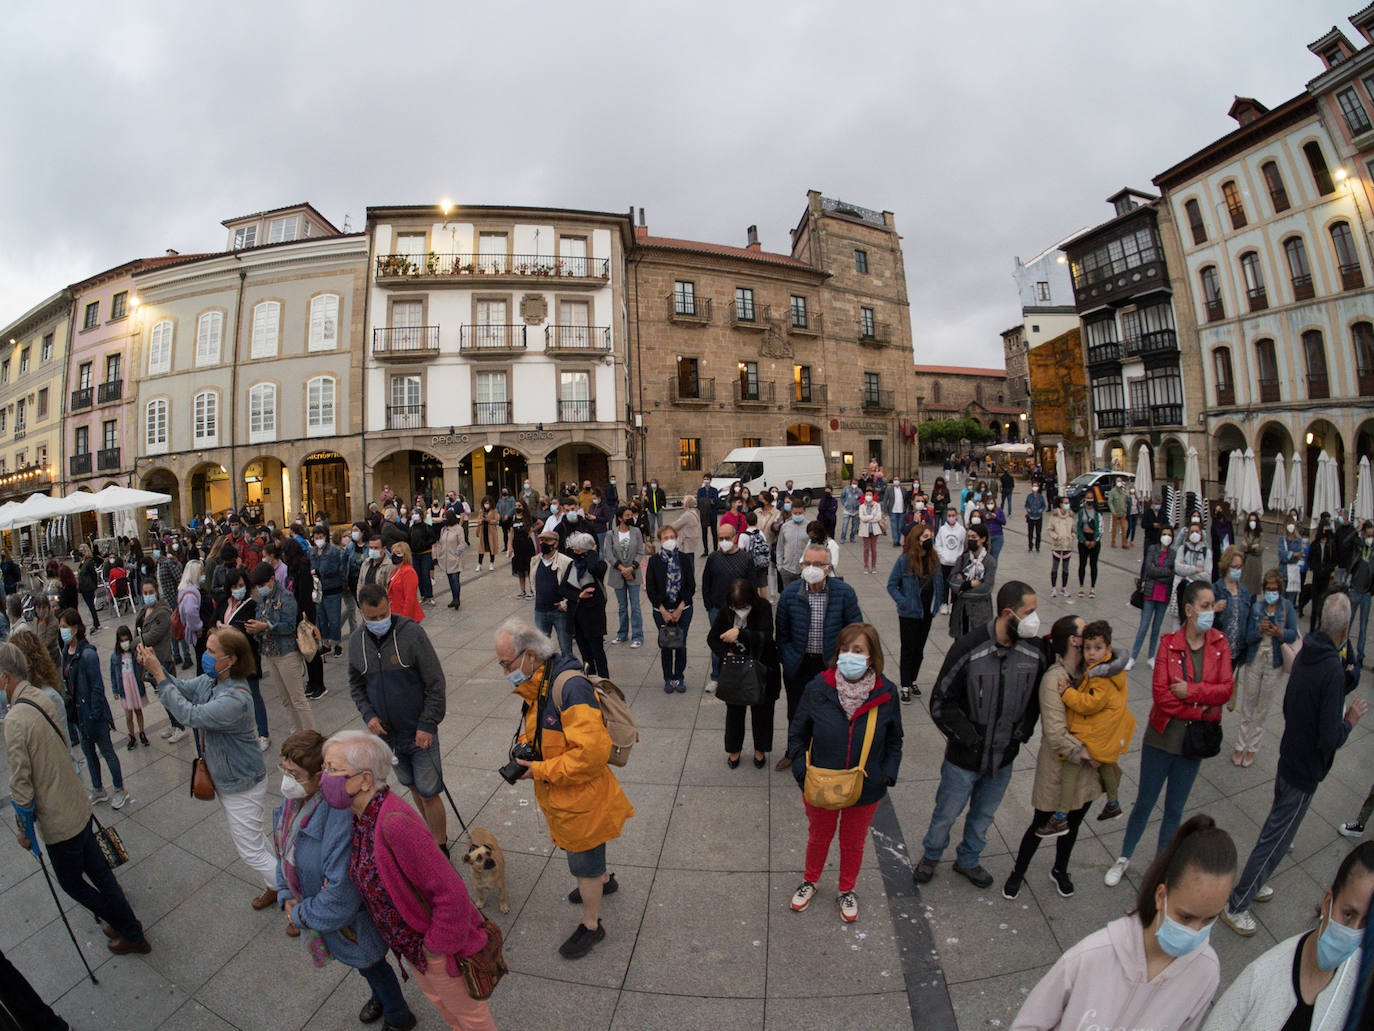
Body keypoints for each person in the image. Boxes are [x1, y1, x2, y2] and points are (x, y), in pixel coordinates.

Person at [321, 732, 497, 1029]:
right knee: (442, 1004)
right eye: (325, 767)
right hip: (411, 947)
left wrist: (436, 948)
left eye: (333, 770)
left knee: (470, 1016)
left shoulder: (395, 824)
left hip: (434, 947)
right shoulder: (360, 815)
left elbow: (452, 892)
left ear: (365, 780)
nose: (325, 778)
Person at [1221, 592, 1367, 936]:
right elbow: (1331, 737)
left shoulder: (1309, 650)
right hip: (1304, 771)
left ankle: (1254, 884)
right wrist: (1350, 719)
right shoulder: (1331, 667)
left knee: (1275, 828)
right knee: (1277, 837)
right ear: (1345, 630)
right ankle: (1237, 903)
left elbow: (1291, 704)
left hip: (1290, 755)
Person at [1013, 816, 1236, 1031]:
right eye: (1185, 917)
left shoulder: (1206, 972)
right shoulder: (1092, 955)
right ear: (1161, 896)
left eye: (1209, 918)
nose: (1194, 932)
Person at [495, 620, 634, 962]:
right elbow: (543, 728)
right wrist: (526, 746)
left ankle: (591, 925)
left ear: (529, 656)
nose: (504, 672)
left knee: (582, 862)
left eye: (506, 664)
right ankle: (603, 878)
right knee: (587, 854)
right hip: (568, 795)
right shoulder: (540, 680)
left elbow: (591, 754)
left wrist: (539, 769)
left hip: (580, 797)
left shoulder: (567, 687)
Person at [2, 642, 151, 956]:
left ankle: (128, 928)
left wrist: (24, 829)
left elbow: (21, 784)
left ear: (5, 677)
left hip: (59, 819)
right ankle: (128, 924)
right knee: (100, 872)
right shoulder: (41, 696)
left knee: (72, 882)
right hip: (76, 804)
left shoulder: (15, 720)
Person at [272, 730, 417, 1028]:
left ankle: (398, 1015)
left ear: (319, 776)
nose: (287, 780)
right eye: (283, 770)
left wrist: (299, 913)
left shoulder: (338, 812)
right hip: (325, 913)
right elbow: (284, 847)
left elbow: (342, 893)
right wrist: (285, 892)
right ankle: (382, 997)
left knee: (372, 964)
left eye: (295, 773)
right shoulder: (295, 802)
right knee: (365, 968)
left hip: (353, 921)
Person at [915, 581, 1043, 889]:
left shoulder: (1034, 652)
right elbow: (940, 703)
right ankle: (931, 856)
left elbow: (1035, 702)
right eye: (1029, 612)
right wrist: (969, 739)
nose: (1034, 620)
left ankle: (968, 860)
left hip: (1003, 758)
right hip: (963, 758)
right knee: (946, 813)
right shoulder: (969, 648)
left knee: (984, 816)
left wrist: (1020, 735)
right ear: (1008, 613)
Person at [1105, 581, 1234, 888]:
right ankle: (1124, 856)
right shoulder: (1168, 643)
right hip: (1161, 738)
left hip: (1194, 744)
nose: (1210, 612)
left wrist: (1190, 691)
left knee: (1174, 810)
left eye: (1212, 605)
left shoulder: (1220, 643)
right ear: (1189, 611)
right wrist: (1203, 704)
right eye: (1204, 606)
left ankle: (1162, 866)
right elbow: (1162, 697)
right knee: (1145, 802)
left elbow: (1226, 690)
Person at [141, 627, 280, 909]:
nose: (205, 656)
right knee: (254, 841)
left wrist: (158, 675)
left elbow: (190, 714)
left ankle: (293, 896)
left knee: (250, 851)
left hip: (243, 782)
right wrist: (156, 671)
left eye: (211, 651)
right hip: (230, 779)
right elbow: (183, 689)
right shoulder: (213, 680)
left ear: (231, 659)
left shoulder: (236, 698)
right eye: (206, 648)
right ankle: (277, 882)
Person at [786, 623, 903, 923]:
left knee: (853, 842)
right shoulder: (818, 688)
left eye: (858, 650)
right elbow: (797, 734)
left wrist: (886, 774)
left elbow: (894, 739)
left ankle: (846, 888)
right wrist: (801, 771)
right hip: (821, 783)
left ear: (872, 657)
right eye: (845, 649)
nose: (849, 656)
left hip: (865, 787)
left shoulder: (886, 693)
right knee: (819, 836)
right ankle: (810, 880)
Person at [1204, 841, 1374, 1031]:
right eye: (1348, 914)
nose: (1353, 931)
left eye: (1366, 923)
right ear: (1328, 903)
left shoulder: (1363, 982)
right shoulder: (1259, 977)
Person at [1004, 616, 1103, 900]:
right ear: (1073, 640)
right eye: (1084, 631)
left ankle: (1060, 869)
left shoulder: (1091, 672)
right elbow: (1055, 733)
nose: (1089, 635)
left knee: (1073, 823)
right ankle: (1018, 872)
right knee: (1041, 824)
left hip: (1086, 769)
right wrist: (1088, 752)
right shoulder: (1053, 679)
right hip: (1060, 768)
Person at [349, 583, 449, 853]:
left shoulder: (411, 633)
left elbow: (435, 682)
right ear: (361, 613)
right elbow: (356, 685)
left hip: (419, 733)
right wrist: (368, 715)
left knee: (430, 790)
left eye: (384, 615)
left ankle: (441, 846)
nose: (379, 621)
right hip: (388, 737)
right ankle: (429, 837)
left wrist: (428, 724)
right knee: (413, 787)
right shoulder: (356, 642)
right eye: (373, 618)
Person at [773, 543, 864, 769]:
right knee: (796, 712)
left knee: (831, 713)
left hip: (830, 666)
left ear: (828, 567)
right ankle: (794, 752)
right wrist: (788, 657)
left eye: (817, 564)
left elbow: (856, 631)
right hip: (799, 664)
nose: (811, 568)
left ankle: (825, 756)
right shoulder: (790, 594)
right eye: (807, 563)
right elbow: (781, 633)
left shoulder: (844, 592)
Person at [1041, 619, 1133, 836]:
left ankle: (1061, 816)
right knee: (1107, 763)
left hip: (1095, 733)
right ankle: (1113, 803)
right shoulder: (1106, 668)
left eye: (1097, 648)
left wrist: (1067, 693)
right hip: (1107, 732)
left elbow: (1089, 704)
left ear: (1108, 649)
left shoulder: (1100, 675)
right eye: (1088, 647)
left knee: (1072, 767)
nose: (1091, 652)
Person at [707, 577, 780, 768]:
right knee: (734, 712)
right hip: (735, 670)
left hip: (761, 668)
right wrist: (726, 653)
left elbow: (767, 636)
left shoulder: (763, 607)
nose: (738, 608)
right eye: (735, 605)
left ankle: (760, 750)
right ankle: (734, 750)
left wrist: (740, 633)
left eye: (741, 605)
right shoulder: (726, 611)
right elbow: (713, 639)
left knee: (762, 712)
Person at [58, 609, 127, 808]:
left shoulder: (87, 654)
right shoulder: (65, 652)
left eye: (65, 627)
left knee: (107, 752)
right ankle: (98, 788)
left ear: (76, 627)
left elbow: (97, 686)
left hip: (92, 714)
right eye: (61, 627)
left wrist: (95, 713)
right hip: (79, 715)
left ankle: (119, 788)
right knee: (89, 754)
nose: (62, 631)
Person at [246, 562, 314, 734]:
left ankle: (311, 737)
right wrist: (255, 629)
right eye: (258, 586)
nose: (260, 589)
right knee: (285, 700)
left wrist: (266, 626)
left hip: (286, 653)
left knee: (297, 699)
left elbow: (289, 626)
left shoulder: (286, 597)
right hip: (270, 654)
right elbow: (259, 617)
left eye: (262, 585)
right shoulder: (262, 599)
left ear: (271, 579)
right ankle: (296, 735)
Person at [217, 566, 269, 750]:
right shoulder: (224, 603)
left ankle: (263, 733)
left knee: (254, 695)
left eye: (240, 585)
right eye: (234, 586)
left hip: (247, 657)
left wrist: (231, 631)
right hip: (228, 660)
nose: (238, 589)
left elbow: (250, 632)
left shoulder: (251, 605)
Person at [887, 521, 937, 702]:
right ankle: (905, 684)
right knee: (907, 649)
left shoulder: (933, 560)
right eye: (925, 537)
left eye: (930, 537)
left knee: (919, 650)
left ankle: (913, 679)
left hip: (926, 612)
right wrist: (904, 602)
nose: (928, 540)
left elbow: (939, 584)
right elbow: (892, 585)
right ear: (916, 540)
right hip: (909, 613)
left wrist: (937, 605)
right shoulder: (904, 561)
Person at [701, 523, 754, 690]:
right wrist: (709, 605)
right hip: (717, 609)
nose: (724, 541)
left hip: (740, 611)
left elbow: (752, 585)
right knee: (718, 644)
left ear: (735, 537)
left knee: (740, 644)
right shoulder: (713, 558)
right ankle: (716, 677)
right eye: (720, 538)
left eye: (727, 538)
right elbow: (706, 582)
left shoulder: (746, 559)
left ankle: (740, 676)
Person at [646, 523, 695, 693]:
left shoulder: (684, 558)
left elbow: (691, 585)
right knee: (666, 644)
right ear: (660, 541)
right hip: (662, 610)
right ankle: (668, 678)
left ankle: (679, 676)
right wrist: (664, 610)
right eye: (665, 538)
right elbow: (651, 588)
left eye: (672, 537)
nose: (669, 540)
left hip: (683, 608)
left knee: (681, 643)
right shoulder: (654, 561)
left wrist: (680, 608)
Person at [1128, 525, 1177, 671]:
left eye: (1169, 534)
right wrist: (1164, 572)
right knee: (1143, 626)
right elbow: (1149, 569)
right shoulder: (1152, 549)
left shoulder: (1173, 554)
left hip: (1164, 595)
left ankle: (1151, 656)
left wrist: (1160, 573)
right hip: (1150, 592)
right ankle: (1133, 657)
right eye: (1164, 534)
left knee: (1156, 628)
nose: (1166, 537)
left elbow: (1172, 574)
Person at [561, 532, 609, 679]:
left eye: (578, 550)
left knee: (598, 653)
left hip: (594, 618)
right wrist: (578, 596)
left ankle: (604, 682)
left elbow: (594, 567)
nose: (575, 553)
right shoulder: (572, 565)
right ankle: (589, 680)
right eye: (575, 550)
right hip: (577, 618)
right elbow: (562, 589)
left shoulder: (599, 565)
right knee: (585, 655)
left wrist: (592, 552)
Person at [602, 506, 645, 649]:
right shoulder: (611, 534)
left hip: (634, 572)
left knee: (635, 606)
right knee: (622, 606)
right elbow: (608, 554)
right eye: (627, 515)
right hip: (617, 573)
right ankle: (622, 634)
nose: (630, 518)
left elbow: (640, 551)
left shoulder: (636, 531)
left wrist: (631, 567)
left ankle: (638, 635)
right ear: (620, 518)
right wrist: (621, 568)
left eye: (631, 515)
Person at [948, 524, 997, 639]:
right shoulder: (963, 558)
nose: (970, 540)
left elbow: (986, 589)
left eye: (974, 537)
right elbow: (952, 581)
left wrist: (962, 589)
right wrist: (969, 584)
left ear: (983, 539)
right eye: (969, 537)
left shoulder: (990, 561)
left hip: (980, 614)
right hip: (961, 611)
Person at [532, 529, 575, 655]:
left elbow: (573, 587)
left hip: (559, 611)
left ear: (556, 543)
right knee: (541, 649)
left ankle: (568, 671)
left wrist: (565, 603)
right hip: (540, 611)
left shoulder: (566, 562)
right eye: (542, 540)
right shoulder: (535, 561)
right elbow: (533, 582)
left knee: (565, 646)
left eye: (547, 540)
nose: (544, 543)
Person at [109, 625, 149, 750]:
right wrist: (115, 690)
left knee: (138, 711)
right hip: (124, 688)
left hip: (135, 685)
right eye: (121, 641)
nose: (124, 643)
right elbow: (113, 674)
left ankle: (142, 732)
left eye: (126, 640)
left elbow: (142, 667)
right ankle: (131, 735)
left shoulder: (134, 653)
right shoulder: (115, 656)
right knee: (128, 715)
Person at [309, 528, 345, 657]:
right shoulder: (312, 551)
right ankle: (326, 643)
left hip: (332, 589)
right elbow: (310, 566)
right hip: (318, 590)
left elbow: (333, 568)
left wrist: (318, 572)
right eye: (316, 536)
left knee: (334, 619)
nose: (318, 539)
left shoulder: (333, 551)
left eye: (321, 536)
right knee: (321, 619)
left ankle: (337, 643)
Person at [1173, 517, 1213, 628]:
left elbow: (1207, 576)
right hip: (1182, 592)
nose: (1194, 534)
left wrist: (1187, 572)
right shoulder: (1182, 549)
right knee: (1178, 623)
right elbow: (1178, 568)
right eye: (1192, 532)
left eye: (1197, 532)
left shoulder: (1207, 552)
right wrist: (1195, 569)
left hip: (1198, 593)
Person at [932, 507, 966, 617]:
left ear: (956, 516)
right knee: (945, 584)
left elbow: (963, 545)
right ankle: (944, 603)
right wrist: (942, 556)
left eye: (953, 515)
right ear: (946, 517)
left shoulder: (961, 530)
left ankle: (952, 603)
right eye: (949, 515)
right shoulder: (942, 529)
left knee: (955, 584)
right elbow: (938, 544)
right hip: (944, 562)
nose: (951, 517)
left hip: (956, 563)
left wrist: (959, 558)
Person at [434, 506, 467, 612]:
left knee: (455, 579)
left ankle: (457, 599)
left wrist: (457, 554)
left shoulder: (458, 529)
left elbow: (462, 543)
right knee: (450, 580)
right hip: (445, 559)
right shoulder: (443, 530)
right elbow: (440, 543)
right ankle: (453, 598)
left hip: (454, 558)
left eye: (445, 518)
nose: (444, 520)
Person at [1350, 522, 1372, 678]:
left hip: (1366, 593)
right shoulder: (1359, 546)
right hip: (1355, 590)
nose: (1370, 538)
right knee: (1348, 622)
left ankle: (1361, 656)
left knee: (1363, 626)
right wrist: (1357, 529)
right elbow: (1347, 540)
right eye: (1368, 535)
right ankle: (1343, 649)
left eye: (1373, 536)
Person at [775, 498, 810, 592]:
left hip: (804, 570)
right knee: (788, 596)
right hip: (787, 570)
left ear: (804, 511)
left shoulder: (809, 527)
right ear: (791, 512)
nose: (797, 515)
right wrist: (780, 566)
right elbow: (780, 547)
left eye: (800, 513)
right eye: (795, 513)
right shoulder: (785, 527)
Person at [386, 540, 424, 623]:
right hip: (395, 613)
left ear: (405, 556)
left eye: (398, 553)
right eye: (393, 553)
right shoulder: (396, 570)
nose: (395, 555)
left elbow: (410, 598)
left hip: (405, 616)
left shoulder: (408, 572)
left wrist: (404, 618)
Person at [506, 498, 536, 600]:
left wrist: (532, 530)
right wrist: (510, 547)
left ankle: (532, 590)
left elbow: (540, 522)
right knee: (520, 570)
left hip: (527, 546)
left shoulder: (528, 517)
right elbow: (510, 533)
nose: (517, 508)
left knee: (529, 568)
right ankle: (522, 591)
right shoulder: (513, 518)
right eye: (516, 506)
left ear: (523, 506)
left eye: (519, 506)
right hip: (517, 546)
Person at [1046, 497, 1075, 600]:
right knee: (1055, 567)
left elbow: (1074, 530)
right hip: (1057, 546)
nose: (1067, 505)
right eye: (1065, 503)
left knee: (1066, 568)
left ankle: (1064, 588)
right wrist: (1056, 537)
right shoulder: (1054, 516)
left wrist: (1072, 536)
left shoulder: (1071, 517)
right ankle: (1053, 588)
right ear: (1061, 504)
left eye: (1068, 503)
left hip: (1068, 545)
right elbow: (1049, 529)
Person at [671, 495, 703, 577]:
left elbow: (676, 525)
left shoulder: (687, 515)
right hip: (691, 540)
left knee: (688, 564)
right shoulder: (694, 512)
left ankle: (689, 582)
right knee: (690, 562)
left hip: (686, 542)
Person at [1075, 499, 1102, 598]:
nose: (1089, 500)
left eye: (1091, 498)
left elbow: (1100, 528)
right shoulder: (1081, 512)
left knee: (1093, 564)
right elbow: (1077, 527)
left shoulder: (1098, 513)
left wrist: (1095, 541)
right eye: (1088, 498)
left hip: (1094, 541)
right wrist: (1083, 540)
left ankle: (1092, 588)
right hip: (1083, 541)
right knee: (1082, 563)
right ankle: (1081, 587)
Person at [76, 544, 102, 634]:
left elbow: (93, 574)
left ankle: (96, 623)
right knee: (90, 606)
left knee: (91, 606)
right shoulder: (83, 562)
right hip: (83, 587)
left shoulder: (89, 561)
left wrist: (95, 585)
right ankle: (96, 622)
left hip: (88, 587)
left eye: (81, 550)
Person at [857, 488, 883, 573]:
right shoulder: (862, 506)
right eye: (867, 495)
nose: (868, 497)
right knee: (866, 548)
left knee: (874, 548)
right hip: (865, 530)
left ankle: (874, 566)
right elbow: (862, 518)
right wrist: (871, 516)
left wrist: (868, 518)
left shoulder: (877, 505)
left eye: (870, 495)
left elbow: (878, 517)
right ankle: (866, 566)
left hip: (874, 529)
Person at [1210, 504, 1235, 584]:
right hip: (1219, 554)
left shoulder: (1228, 524)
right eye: (1217, 511)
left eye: (1220, 509)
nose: (1219, 512)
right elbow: (1214, 542)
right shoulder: (1214, 526)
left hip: (1228, 551)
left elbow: (1232, 538)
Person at [696, 475, 720, 554]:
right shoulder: (700, 490)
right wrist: (709, 501)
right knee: (704, 533)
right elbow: (699, 501)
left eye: (708, 479)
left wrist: (706, 501)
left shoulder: (714, 490)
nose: (706, 480)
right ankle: (705, 550)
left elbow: (715, 501)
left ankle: (715, 549)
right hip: (704, 514)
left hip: (712, 513)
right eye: (705, 479)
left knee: (714, 532)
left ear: (710, 480)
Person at [474, 496, 499, 572]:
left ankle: (491, 563)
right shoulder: (481, 511)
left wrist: (489, 520)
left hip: (491, 532)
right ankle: (479, 564)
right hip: (483, 531)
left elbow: (496, 520)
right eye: (485, 503)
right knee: (481, 549)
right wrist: (481, 520)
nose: (486, 504)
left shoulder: (494, 510)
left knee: (492, 548)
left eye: (488, 503)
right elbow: (478, 520)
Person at [1024, 483, 1045, 553]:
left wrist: (1041, 509)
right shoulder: (1029, 496)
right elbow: (1026, 504)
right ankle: (1030, 546)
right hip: (1031, 517)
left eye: (1036, 486)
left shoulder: (1041, 497)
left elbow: (1044, 505)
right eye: (1033, 486)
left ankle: (1037, 546)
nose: (1034, 487)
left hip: (1039, 517)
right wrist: (1028, 509)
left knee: (1038, 533)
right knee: (1030, 533)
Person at [1107, 477, 1129, 548]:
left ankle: (1124, 543)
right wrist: (1113, 511)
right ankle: (1113, 542)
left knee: (1123, 528)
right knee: (1114, 528)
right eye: (1118, 481)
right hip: (1115, 512)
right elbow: (1110, 502)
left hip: (1122, 512)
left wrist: (1125, 509)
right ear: (1116, 482)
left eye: (1120, 481)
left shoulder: (1123, 491)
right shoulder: (1113, 491)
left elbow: (1125, 500)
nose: (1119, 482)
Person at [838, 479, 861, 544]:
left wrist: (858, 504)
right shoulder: (846, 489)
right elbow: (842, 497)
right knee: (845, 525)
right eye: (853, 483)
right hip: (847, 510)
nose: (854, 485)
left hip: (856, 511)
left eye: (856, 483)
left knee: (854, 526)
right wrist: (844, 503)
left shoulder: (859, 491)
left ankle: (852, 538)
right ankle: (843, 538)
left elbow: (861, 499)